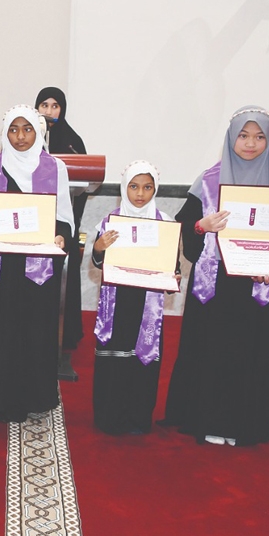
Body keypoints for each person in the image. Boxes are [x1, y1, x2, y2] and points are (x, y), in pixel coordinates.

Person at [162, 107, 269, 446]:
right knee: (213, 351)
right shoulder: (208, 181)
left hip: (258, 286)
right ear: (231, 137)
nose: (250, 143)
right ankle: (206, 419)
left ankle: (243, 425)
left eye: (259, 137)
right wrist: (201, 226)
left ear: (268, 140)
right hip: (216, 286)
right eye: (243, 135)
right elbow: (186, 228)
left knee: (250, 354)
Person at [0, 105, 74, 423]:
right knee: (4, 330)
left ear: (38, 132)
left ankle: (35, 396)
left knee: (36, 331)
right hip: (6, 266)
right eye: (14, 129)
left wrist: (61, 237)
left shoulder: (55, 168)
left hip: (39, 267)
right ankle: (0, 397)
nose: (20, 136)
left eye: (27, 129)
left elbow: (64, 218)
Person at [89, 160, 173, 434]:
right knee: (115, 360)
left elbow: (172, 265)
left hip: (147, 303)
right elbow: (98, 263)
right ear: (124, 188)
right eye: (134, 186)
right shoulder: (110, 222)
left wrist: (174, 275)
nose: (140, 194)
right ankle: (109, 417)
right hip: (118, 303)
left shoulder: (165, 223)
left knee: (142, 360)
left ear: (155, 189)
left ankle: (138, 418)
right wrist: (99, 247)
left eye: (147, 187)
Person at [36, 86, 88, 351]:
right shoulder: (27, 137)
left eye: (55, 106)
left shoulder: (71, 141)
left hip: (60, 226)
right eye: (44, 105)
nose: (49, 111)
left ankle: (63, 336)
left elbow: (85, 182)